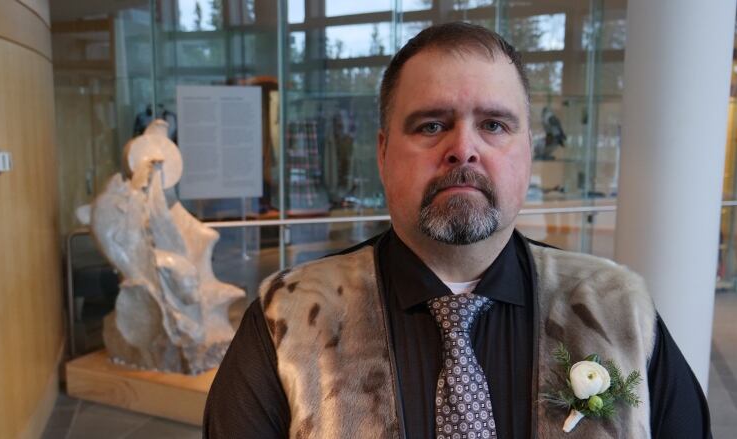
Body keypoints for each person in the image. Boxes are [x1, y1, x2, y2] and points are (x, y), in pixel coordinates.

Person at [203, 22, 711, 438]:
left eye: (494, 124)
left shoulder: (618, 309)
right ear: (382, 153)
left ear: (527, 152)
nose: (463, 148)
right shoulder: (284, 320)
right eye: (430, 125)